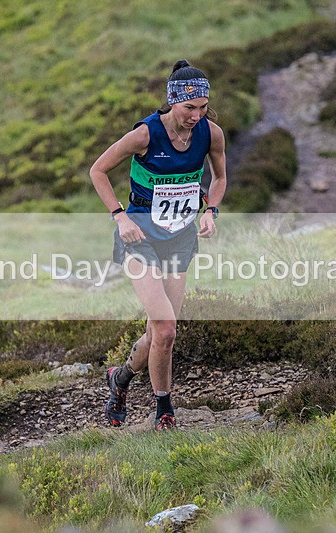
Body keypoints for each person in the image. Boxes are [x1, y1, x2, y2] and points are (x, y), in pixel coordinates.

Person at [89, 59, 227, 431]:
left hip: (180, 237)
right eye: (189, 108)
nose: (196, 116)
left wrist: (211, 210)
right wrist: (120, 217)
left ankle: (120, 378)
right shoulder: (145, 135)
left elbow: (219, 177)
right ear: (172, 102)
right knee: (165, 329)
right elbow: (98, 170)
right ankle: (164, 410)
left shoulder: (211, 133)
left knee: (157, 333)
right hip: (141, 237)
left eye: (203, 107)